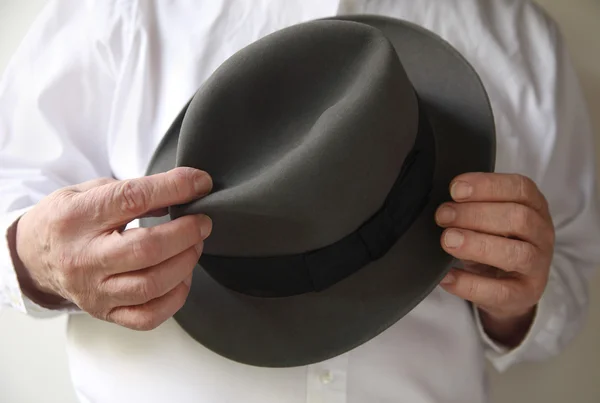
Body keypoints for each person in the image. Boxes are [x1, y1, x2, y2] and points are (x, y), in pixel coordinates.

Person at [1, 0, 599, 402]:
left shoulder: (517, 36)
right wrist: (38, 257)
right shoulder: (120, 10)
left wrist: (517, 304)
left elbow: (570, 282)